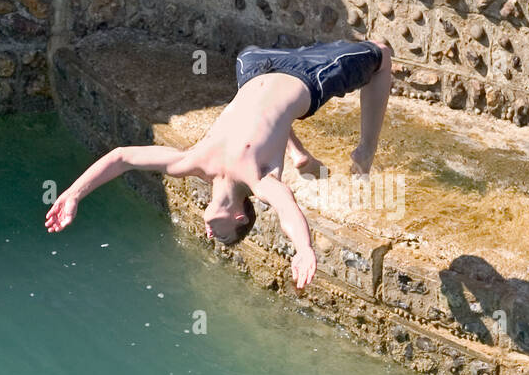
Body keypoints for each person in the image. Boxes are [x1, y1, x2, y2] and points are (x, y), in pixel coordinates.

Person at [46, 39, 393, 289]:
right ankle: (365, 152)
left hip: (255, 65)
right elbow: (288, 211)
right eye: (223, 235)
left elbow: (122, 157)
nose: (210, 233)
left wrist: (75, 194)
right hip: (310, 76)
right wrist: (304, 249)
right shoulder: (260, 180)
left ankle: (297, 152)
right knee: (381, 53)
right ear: (240, 217)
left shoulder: (191, 163)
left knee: (254, 86)